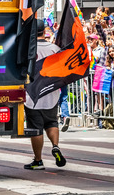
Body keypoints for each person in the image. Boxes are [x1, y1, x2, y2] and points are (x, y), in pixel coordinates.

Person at [23, 19, 67, 170]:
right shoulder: (55, 48)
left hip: (32, 94)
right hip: (51, 92)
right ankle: (55, 146)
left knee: (36, 127)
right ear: (45, 31)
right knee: (51, 122)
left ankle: (38, 160)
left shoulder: (28, 48)